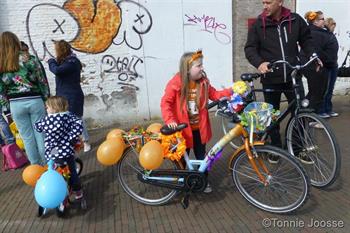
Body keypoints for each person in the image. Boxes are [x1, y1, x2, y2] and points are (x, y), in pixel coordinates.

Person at [244, 0, 318, 164]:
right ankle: (275, 147)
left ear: (280, 2)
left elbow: (306, 40)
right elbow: (250, 48)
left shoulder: (295, 20)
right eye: (263, 2)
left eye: (268, 2)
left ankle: (297, 148)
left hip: (293, 76)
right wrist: (259, 63)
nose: (264, 6)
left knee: (299, 113)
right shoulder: (259, 24)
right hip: (271, 78)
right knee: (272, 115)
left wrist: (313, 55)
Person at [160, 50, 232, 193]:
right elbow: (165, 103)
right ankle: (179, 183)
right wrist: (170, 120)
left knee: (202, 158)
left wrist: (231, 91)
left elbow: (215, 95)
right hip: (182, 131)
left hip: (199, 129)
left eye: (202, 65)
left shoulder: (203, 83)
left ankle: (202, 181)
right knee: (180, 159)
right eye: (198, 66)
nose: (202, 68)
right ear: (187, 69)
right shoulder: (175, 83)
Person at [0, 31, 49, 165]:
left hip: (15, 104)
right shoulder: (31, 60)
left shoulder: (2, 64)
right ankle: (47, 166)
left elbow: (1, 89)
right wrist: (46, 99)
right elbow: (42, 81)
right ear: (16, 43)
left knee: (27, 138)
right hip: (35, 100)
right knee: (40, 134)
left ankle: (35, 167)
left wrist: (6, 109)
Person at [34, 96, 84, 200]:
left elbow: (37, 127)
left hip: (53, 151)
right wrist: (71, 137)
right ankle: (78, 191)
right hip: (67, 150)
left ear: (54, 108)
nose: (46, 109)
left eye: (47, 107)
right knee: (72, 171)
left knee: (53, 169)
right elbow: (79, 124)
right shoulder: (69, 116)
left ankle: (54, 189)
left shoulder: (47, 120)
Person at [47, 40, 91, 152]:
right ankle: (72, 142)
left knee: (76, 118)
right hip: (62, 95)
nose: (55, 52)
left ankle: (86, 141)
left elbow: (56, 70)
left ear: (61, 50)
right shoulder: (65, 61)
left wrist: (51, 61)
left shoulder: (72, 62)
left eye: (56, 49)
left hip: (72, 95)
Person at [302, 11, 337, 118]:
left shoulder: (318, 32)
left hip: (322, 66)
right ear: (316, 21)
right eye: (322, 19)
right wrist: (328, 61)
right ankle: (310, 115)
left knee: (316, 92)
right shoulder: (314, 33)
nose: (324, 21)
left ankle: (308, 114)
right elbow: (317, 51)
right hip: (317, 67)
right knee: (316, 93)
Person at [319, 17, 339, 117]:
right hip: (326, 66)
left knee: (330, 89)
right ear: (329, 25)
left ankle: (328, 109)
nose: (334, 28)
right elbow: (320, 50)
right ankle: (322, 110)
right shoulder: (324, 35)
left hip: (333, 65)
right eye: (333, 26)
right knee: (324, 89)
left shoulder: (331, 35)